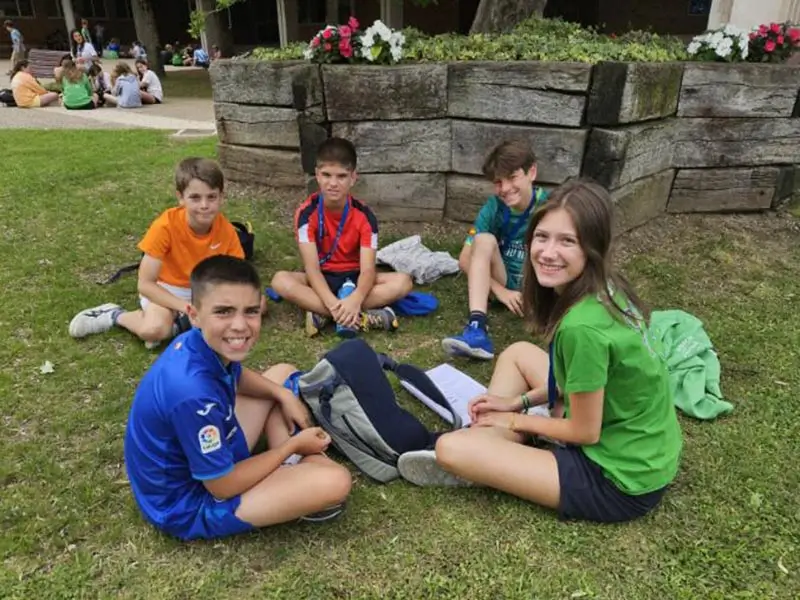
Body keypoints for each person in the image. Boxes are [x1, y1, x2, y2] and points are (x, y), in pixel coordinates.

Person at [398, 179, 683, 524]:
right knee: (518, 353)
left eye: (567, 241)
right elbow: (583, 379)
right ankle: (493, 441)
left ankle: (491, 446)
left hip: (618, 478)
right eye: (542, 237)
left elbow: (585, 431)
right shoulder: (605, 287)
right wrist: (516, 403)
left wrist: (514, 418)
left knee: (449, 448)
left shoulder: (582, 328)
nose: (547, 253)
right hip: (640, 443)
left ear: (593, 247)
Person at [124, 255, 352, 541]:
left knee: (281, 375)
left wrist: (282, 394)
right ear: (193, 314)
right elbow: (221, 487)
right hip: (190, 504)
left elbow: (238, 375)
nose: (240, 325)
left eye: (250, 311)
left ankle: (291, 471)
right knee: (335, 481)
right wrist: (290, 446)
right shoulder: (191, 394)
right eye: (224, 312)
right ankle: (291, 470)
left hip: (208, 453)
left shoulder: (198, 341)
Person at [68, 158, 251, 347]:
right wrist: (186, 308)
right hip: (166, 289)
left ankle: (180, 325)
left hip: (203, 290)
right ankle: (114, 315)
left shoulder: (227, 230)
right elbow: (146, 284)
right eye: (195, 197)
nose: (204, 205)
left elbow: (238, 278)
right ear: (181, 197)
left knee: (256, 305)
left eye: (211, 197)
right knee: (153, 331)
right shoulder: (165, 226)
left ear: (221, 197)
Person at [270, 137, 413, 337]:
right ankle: (358, 317)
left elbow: (368, 270)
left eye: (341, 176)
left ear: (353, 178)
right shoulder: (305, 214)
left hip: (354, 277)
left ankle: (325, 315)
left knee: (403, 282)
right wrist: (332, 302)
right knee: (280, 281)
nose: (333, 184)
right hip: (322, 278)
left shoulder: (365, 216)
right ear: (317, 175)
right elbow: (312, 269)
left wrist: (355, 299)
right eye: (327, 175)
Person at [442, 139, 548, 361]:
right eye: (498, 182)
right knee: (483, 240)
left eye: (512, 177)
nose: (505, 188)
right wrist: (501, 290)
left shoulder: (549, 206)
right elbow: (463, 259)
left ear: (532, 172)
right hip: (503, 281)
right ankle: (477, 328)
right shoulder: (493, 207)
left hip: (536, 286)